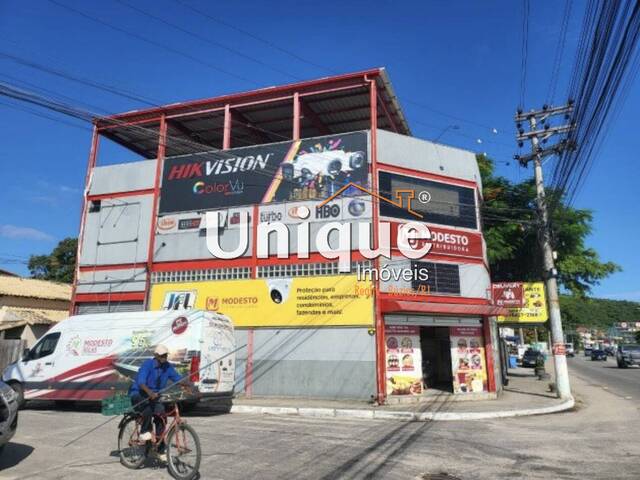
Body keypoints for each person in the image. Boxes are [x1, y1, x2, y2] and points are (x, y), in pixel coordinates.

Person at [129, 344, 188, 462]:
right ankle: (144, 431)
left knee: (161, 416)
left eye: (165, 355)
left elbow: (177, 378)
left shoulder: (167, 366)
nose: (164, 357)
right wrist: (150, 393)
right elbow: (141, 382)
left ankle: (160, 450)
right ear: (155, 355)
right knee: (148, 408)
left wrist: (187, 384)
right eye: (161, 355)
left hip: (154, 396)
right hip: (139, 394)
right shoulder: (148, 364)